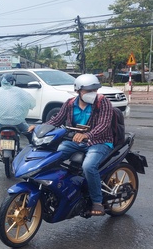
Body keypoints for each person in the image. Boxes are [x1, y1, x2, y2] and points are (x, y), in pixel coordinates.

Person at [28, 74, 113, 216]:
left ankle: (97, 201)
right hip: (75, 141)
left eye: (94, 90)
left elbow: (104, 125)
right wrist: (39, 127)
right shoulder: (69, 103)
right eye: (88, 91)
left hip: (99, 142)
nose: (92, 94)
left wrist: (87, 135)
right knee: (54, 157)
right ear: (78, 91)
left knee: (88, 166)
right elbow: (56, 120)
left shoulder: (102, 102)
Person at [0, 74, 36, 154]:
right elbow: (31, 103)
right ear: (13, 82)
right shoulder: (19, 91)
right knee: (28, 130)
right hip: (17, 121)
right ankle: (33, 148)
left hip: (0, 121)